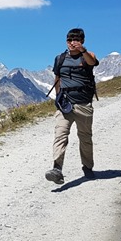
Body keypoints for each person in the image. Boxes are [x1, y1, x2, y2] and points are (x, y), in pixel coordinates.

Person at [45, 28, 99, 185]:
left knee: (85, 137)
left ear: (82, 41)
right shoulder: (60, 58)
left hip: (83, 104)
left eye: (76, 39)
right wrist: (58, 98)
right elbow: (57, 78)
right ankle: (57, 169)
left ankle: (88, 167)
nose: (72, 42)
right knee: (60, 134)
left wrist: (83, 50)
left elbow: (92, 62)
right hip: (65, 104)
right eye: (69, 40)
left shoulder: (87, 56)